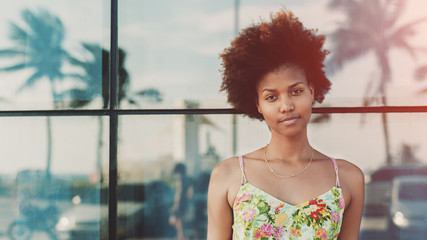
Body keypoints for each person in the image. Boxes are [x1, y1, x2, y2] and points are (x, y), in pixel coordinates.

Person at [207, 9, 364, 240]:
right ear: (258, 104)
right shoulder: (229, 175)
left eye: (296, 91)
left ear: (311, 92)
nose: (286, 105)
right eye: (271, 97)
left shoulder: (348, 178)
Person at [170, 163, 194, 240]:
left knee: (178, 220)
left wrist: (175, 205)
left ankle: (180, 236)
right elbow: (190, 192)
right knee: (180, 220)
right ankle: (181, 236)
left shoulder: (181, 178)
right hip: (185, 202)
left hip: (181, 203)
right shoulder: (187, 178)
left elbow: (179, 193)